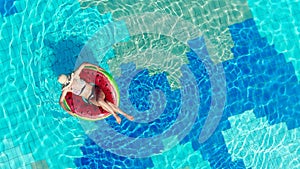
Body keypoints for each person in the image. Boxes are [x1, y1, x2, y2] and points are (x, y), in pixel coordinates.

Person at [58, 62, 134, 124]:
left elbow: (84, 64)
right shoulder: (67, 89)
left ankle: (115, 115)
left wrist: (96, 67)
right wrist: (68, 111)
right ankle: (125, 114)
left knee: (100, 101)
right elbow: (61, 102)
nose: (70, 84)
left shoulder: (75, 76)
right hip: (91, 98)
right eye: (68, 84)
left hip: (96, 90)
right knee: (107, 103)